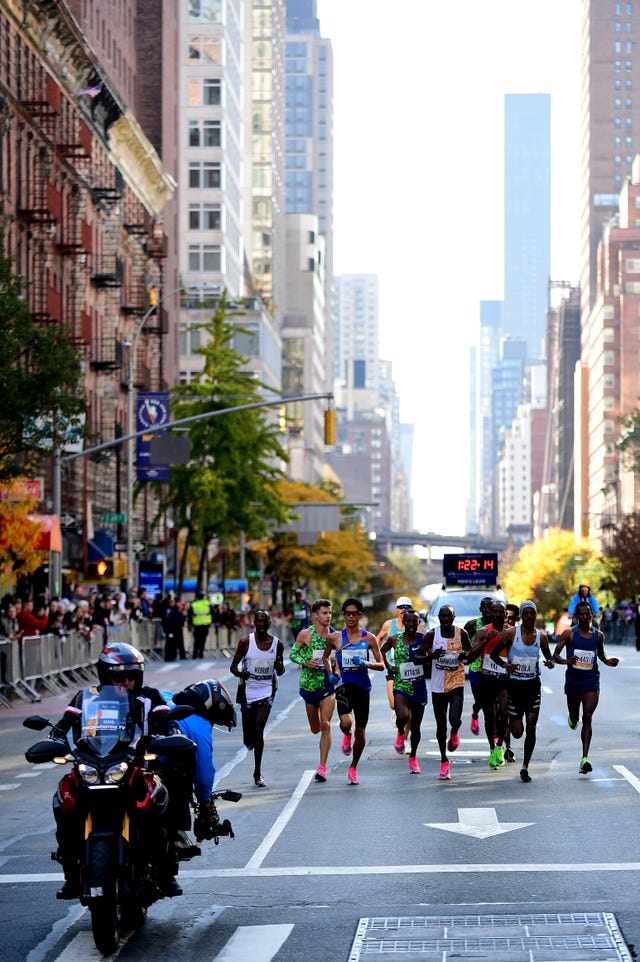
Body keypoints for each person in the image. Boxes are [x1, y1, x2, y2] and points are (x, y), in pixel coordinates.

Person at [48, 642, 181, 899]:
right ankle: (71, 873)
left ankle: (166, 870)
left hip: (139, 765)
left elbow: (168, 722)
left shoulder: (150, 696)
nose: (128, 682)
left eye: (133, 676)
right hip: (94, 765)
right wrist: (52, 739)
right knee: (62, 801)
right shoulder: (86, 697)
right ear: (105, 675)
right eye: (120, 676)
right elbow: (64, 724)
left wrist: (171, 735)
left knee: (163, 798)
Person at [489, 600, 555, 782]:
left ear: (535, 615)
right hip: (515, 687)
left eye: (531, 613)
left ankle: (525, 767)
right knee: (518, 731)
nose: (528, 617)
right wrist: (506, 665)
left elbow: (549, 658)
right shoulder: (511, 634)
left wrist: (550, 663)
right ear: (521, 616)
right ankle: (504, 742)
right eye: (525, 613)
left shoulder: (541, 637)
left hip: (533, 686)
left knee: (531, 727)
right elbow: (494, 654)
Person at [322, 597, 384, 785]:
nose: (350, 617)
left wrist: (365, 663)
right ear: (343, 615)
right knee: (346, 722)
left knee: (361, 733)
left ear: (359, 615)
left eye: (354, 614)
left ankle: (353, 767)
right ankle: (346, 734)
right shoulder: (335, 638)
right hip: (343, 686)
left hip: (363, 688)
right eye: (347, 613)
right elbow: (325, 657)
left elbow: (381, 665)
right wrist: (331, 673)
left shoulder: (369, 638)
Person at [553, 599, 619, 775]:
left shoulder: (599, 636)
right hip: (573, 682)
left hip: (591, 682)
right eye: (580, 614)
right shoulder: (569, 634)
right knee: (575, 717)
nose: (584, 617)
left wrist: (608, 661)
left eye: (587, 614)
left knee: (587, 717)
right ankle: (572, 718)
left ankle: (585, 758)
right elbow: (555, 656)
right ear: (575, 617)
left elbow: (602, 655)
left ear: (591, 615)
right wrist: (567, 661)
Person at [230, 609, 285, 787]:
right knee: (249, 737)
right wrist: (242, 673)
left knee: (259, 730)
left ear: (269, 623)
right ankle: (249, 738)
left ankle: (257, 772)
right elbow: (233, 667)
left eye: (264, 621)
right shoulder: (246, 642)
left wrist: (278, 667)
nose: (261, 624)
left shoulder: (277, 644)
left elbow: (281, 671)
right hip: (247, 691)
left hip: (266, 690)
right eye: (258, 621)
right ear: (254, 623)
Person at [419, 604, 470, 780]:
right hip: (438, 685)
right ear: (439, 618)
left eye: (449, 616)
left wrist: (463, 654)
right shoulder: (432, 635)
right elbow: (417, 657)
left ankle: (455, 731)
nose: (446, 619)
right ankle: (444, 761)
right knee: (441, 726)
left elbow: (469, 653)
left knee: (454, 719)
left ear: (454, 618)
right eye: (443, 616)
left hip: (456, 681)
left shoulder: (461, 633)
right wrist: (431, 657)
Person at [289, 598, 336, 782]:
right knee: (315, 729)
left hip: (327, 685)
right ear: (315, 615)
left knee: (325, 725)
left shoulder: (334, 635)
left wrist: (336, 672)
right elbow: (293, 654)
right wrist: (305, 662)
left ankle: (322, 767)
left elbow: (338, 657)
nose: (328, 616)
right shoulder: (305, 634)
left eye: (330, 613)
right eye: (325, 613)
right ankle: (322, 763)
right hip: (309, 687)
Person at [380, 608, 427, 774]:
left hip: (419, 687)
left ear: (419, 623)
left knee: (416, 727)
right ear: (403, 623)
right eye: (409, 621)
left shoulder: (424, 639)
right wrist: (388, 666)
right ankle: (400, 732)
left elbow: (431, 655)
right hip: (401, 685)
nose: (412, 624)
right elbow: (382, 650)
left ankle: (413, 757)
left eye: (415, 621)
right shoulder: (394, 639)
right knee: (402, 716)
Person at [467, 600, 510, 770]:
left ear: (505, 614)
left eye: (502, 611)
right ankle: (492, 749)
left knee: (504, 711)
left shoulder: (511, 632)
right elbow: (470, 657)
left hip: (504, 678)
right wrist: (485, 641)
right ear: (490, 614)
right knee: (490, 715)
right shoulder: (483, 631)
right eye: (495, 612)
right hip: (487, 677)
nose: (499, 615)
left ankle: (500, 746)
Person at [376, 596, 414, 721]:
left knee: (407, 705)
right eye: (401, 607)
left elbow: (425, 641)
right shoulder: (389, 624)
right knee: (393, 704)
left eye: (407, 607)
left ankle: (402, 736)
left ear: (411, 609)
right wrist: (380, 659)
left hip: (409, 670)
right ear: (396, 609)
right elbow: (377, 639)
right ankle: (397, 712)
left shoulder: (416, 624)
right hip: (392, 669)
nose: (403, 610)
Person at [463, 597, 495, 738]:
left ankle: (495, 734)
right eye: (485, 607)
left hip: (494, 669)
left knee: (494, 703)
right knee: (481, 701)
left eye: (490, 607)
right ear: (481, 609)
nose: (487, 610)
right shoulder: (472, 625)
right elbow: (462, 641)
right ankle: (475, 713)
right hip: (476, 668)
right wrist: (467, 651)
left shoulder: (499, 625)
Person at [162, 594, 186, 661]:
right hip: (169, 628)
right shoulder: (166, 609)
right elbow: (166, 619)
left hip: (177, 629)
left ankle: (174, 656)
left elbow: (179, 617)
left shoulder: (176, 608)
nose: (172, 603)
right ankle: (168, 657)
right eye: (170, 602)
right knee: (169, 642)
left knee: (175, 643)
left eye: (173, 602)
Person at [189, 591, 213, 659]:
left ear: (197, 597)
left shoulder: (194, 605)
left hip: (197, 625)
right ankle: (201, 654)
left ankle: (194, 654)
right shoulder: (207, 604)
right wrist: (211, 622)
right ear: (203, 597)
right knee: (203, 640)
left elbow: (190, 614)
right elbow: (213, 613)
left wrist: (190, 624)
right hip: (205, 625)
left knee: (196, 640)